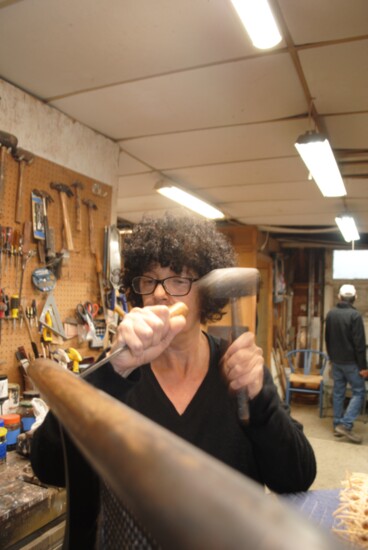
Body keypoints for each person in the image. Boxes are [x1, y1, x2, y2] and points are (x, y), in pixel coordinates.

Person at [31, 213, 316, 548]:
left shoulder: (239, 372)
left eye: (179, 280)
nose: (161, 294)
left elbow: (296, 478)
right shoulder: (116, 373)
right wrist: (114, 370)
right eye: (149, 280)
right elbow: (47, 466)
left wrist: (261, 401)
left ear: (206, 294)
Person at [325, 284, 367, 444]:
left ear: (339, 297)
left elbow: (327, 338)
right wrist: (363, 367)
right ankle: (346, 424)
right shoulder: (355, 316)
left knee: (338, 392)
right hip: (352, 364)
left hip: (336, 361)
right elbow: (359, 344)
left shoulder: (331, 315)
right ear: (355, 297)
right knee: (358, 392)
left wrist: (331, 358)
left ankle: (337, 425)